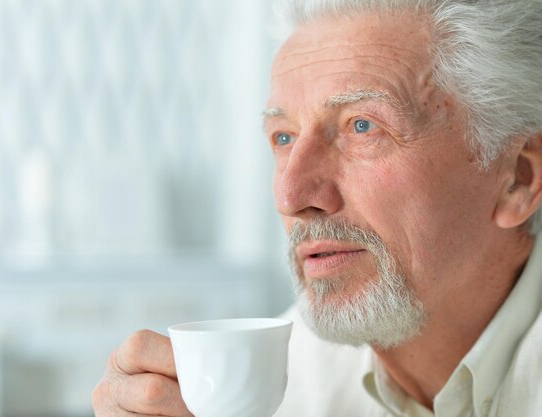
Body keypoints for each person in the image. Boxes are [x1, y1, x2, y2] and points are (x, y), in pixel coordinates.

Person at [92, 0, 542, 416]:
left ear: (517, 179)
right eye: (283, 137)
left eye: (362, 127)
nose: (292, 197)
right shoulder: (278, 384)